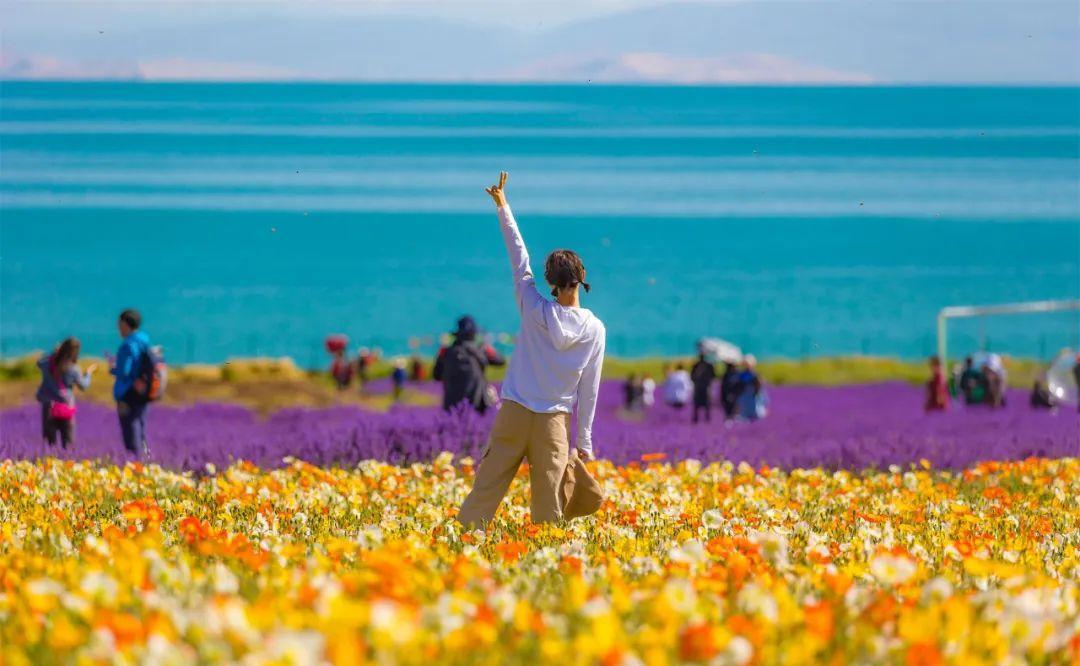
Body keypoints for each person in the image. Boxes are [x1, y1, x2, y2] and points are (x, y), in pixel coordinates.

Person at [458, 172, 606, 527]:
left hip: (514, 413)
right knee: (549, 508)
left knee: (485, 492)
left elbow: (518, 259)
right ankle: (547, 561)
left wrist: (503, 206)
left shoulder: (533, 307)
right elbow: (590, 389)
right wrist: (583, 439)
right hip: (553, 422)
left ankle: (458, 548)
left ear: (550, 283)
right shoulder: (595, 329)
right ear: (581, 278)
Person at [432, 315, 506, 414]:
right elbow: (501, 361)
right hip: (477, 404)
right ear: (474, 333)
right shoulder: (481, 350)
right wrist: (487, 347)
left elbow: (436, 375)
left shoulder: (446, 352)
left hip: (451, 406)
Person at [35, 337, 96, 449]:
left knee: (49, 445)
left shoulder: (48, 363)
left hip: (49, 407)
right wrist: (88, 374)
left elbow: (39, 362)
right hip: (66, 407)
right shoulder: (73, 369)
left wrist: (53, 353)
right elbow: (83, 386)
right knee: (68, 445)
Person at [110, 309, 151, 457]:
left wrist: (114, 369)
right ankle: (144, 459)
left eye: (120, 324)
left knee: (130, 429)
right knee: (140, 426)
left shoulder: (128, 345)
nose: (118, 328)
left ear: (126, 324)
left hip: (128, 393)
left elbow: (125, 371)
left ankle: (135, 461)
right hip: (143, 391)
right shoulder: (144, 340)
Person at [735, 355, 766, 421]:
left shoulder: (755, 374)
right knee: (745, 414)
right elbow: (739, 386)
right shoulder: (742, 374)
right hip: (744, 396)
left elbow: (759, 387)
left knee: (754, 413)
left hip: (752, 396)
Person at [691, 353, 716, 423]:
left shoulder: (696, 365)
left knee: (701, 403)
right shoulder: (708, 365)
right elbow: (714, 376)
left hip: (700, 386)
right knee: (704, 403)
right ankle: (704, 418)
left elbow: (692, 376)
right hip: (704, 386)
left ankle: (701, 418)